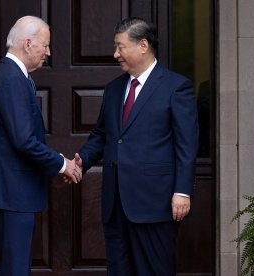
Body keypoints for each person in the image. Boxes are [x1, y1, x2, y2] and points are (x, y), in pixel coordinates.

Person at [74, 17, 199, 275]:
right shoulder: (113, 89)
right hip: (116, 203)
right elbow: (102, 135)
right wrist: (80, 163)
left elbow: (187, 144)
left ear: (143, 45)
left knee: (154, 270)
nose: (115, 54)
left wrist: (182, 191)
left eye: (120, 47)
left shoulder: (176, 87)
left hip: (155, 202)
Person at [0, 16, 82, 276]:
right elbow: (23, 141)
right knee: (16, 269)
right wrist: (62, 163)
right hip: (12, 191)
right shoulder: (11, 78)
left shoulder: (8, 75)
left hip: (10, 190)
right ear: (28, 43)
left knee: (15, 266)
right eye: (45, 45)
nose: (48, 52)